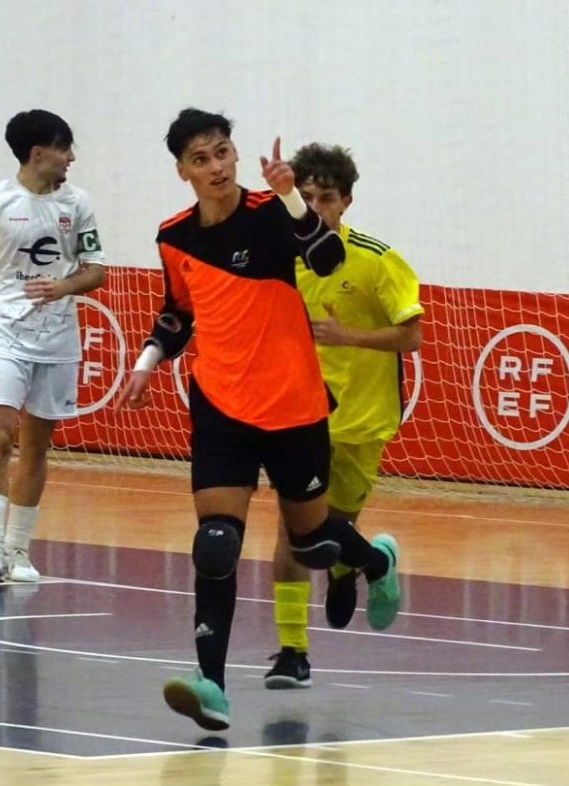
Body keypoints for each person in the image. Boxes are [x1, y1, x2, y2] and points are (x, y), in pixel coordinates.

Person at [117, 108, 402, 731]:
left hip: (293, 403)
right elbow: (177, 312)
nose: (217, 166)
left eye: (223, 152)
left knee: (314, 541)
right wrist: (147, 360)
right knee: (216, 544)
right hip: (220, 404)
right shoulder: (173, 236)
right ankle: (211, 684)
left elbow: (326, 258)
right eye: (202, 158)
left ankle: (376, 562)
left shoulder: (272, 213)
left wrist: (293, 197)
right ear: (182, 171)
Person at [264, 143, 423, 689]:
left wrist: (348, 335)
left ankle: (360, 561)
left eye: (326, 198)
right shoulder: (278, 255)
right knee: (291, 529)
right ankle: (292, 651)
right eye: (306, 196)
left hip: (363, 416)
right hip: (296, 412)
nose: (315, 206)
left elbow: (413, 335)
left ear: (346, 202)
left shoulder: (377, 260)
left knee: (334, 530)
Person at [0, 109, 107, 584]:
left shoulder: (78, 205)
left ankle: (18, 551)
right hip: (3, 335)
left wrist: (64, 287)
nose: (71, 158)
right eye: (65, 148)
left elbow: (96, 270)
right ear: (39, 153)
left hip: (57, 339)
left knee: (37, 446)